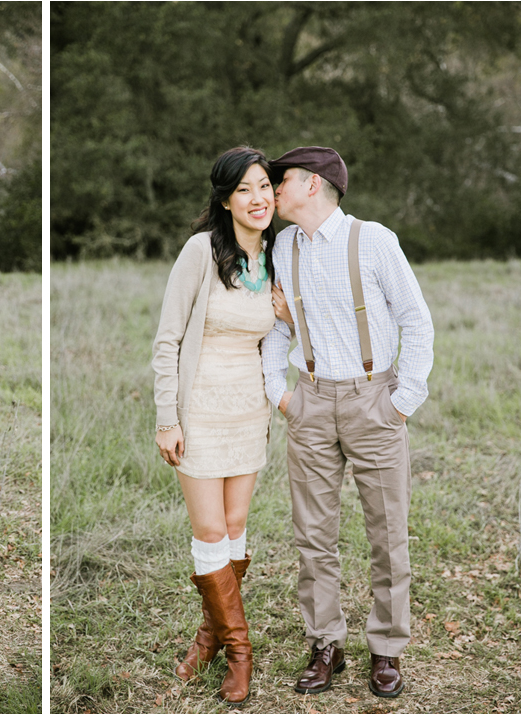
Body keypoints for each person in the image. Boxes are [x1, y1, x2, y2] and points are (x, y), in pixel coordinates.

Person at [262, 147, 434, 699]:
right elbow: (279, 325)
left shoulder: (374, 240)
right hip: (310, 402)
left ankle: (386, 649)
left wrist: (401, 401)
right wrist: (280, 395)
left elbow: (416, 320)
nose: (271, 191)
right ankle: (326, 644)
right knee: (313, 535)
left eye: (280, 180)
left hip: (374, 400)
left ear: (312, 185)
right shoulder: (283, 246)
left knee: (387, 533)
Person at [152, 147, 290, 706]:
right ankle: (240, 652)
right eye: (244, 191)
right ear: (226, 200)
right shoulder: (201, 252)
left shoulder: (280, 256)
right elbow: (167, 339)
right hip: (201, 407)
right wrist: (167, 419)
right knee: (209, 532)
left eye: (264, 188)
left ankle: (209, 635)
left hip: (249, 409)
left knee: (235, 528)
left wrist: (289, 316)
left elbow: (287, 338)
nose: (257, 200)